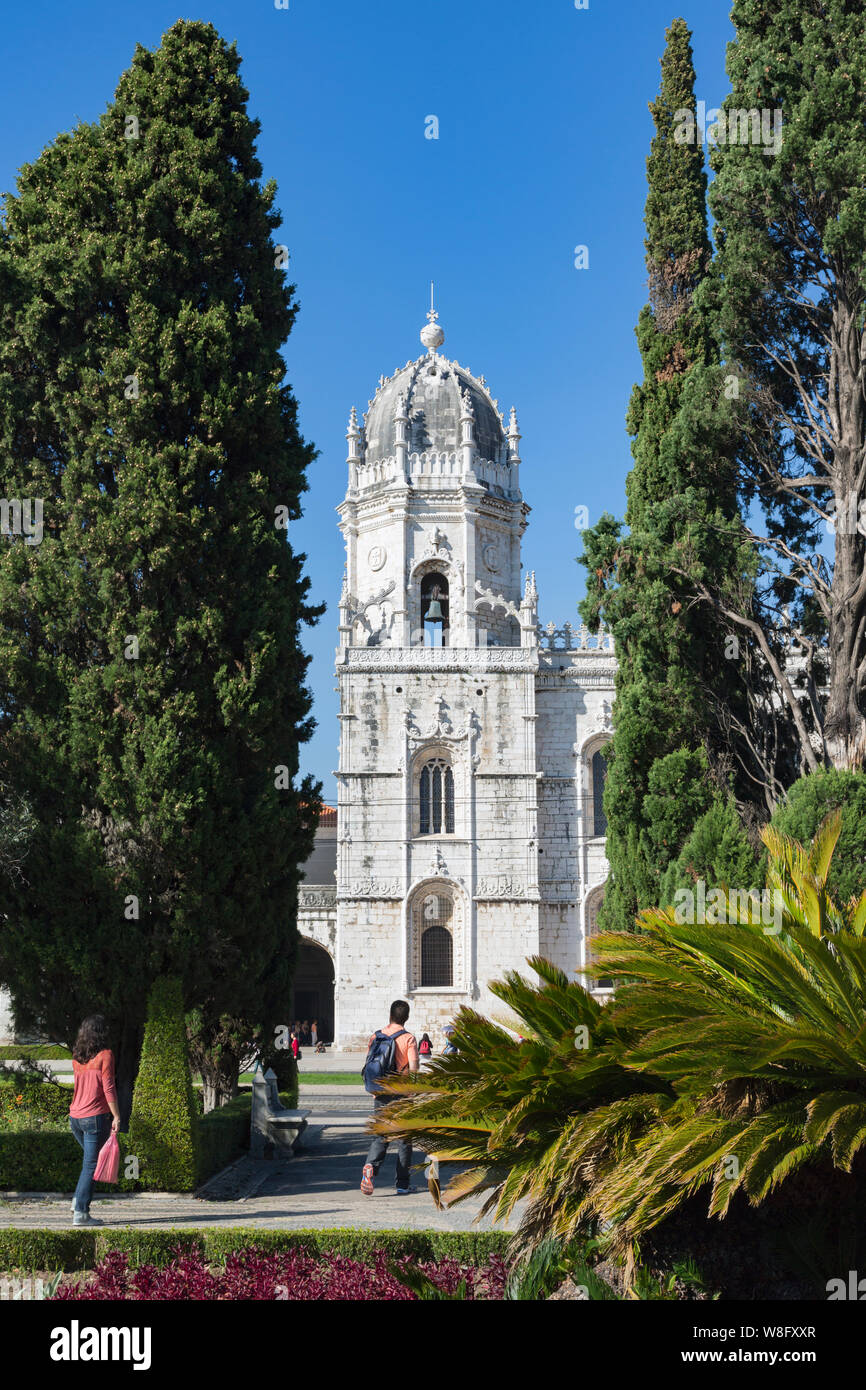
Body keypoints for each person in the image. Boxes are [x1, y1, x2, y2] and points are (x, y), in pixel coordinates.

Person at [360, 1000, 418, 1196]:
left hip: (381, 1093)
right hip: (402, 1093)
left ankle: (370, 1166)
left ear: (390, 1015)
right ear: (406, 1017)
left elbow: (369, 1064)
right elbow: (414, 1067)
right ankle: (402, 1184)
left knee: (381, 1135)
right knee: (404, 1139)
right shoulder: (408, 1038)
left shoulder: (376, 1037)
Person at [68, 1014, 121, 1227]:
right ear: (101, 1033)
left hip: (75, 1118)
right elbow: (109, 1088)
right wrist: (116, 1115)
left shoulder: (77, 1057)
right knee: (91, 1165)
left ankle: (77, 1202)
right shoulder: (105, 1055)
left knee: (90, 1163)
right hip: (94, 1118)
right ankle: (80, 1213)